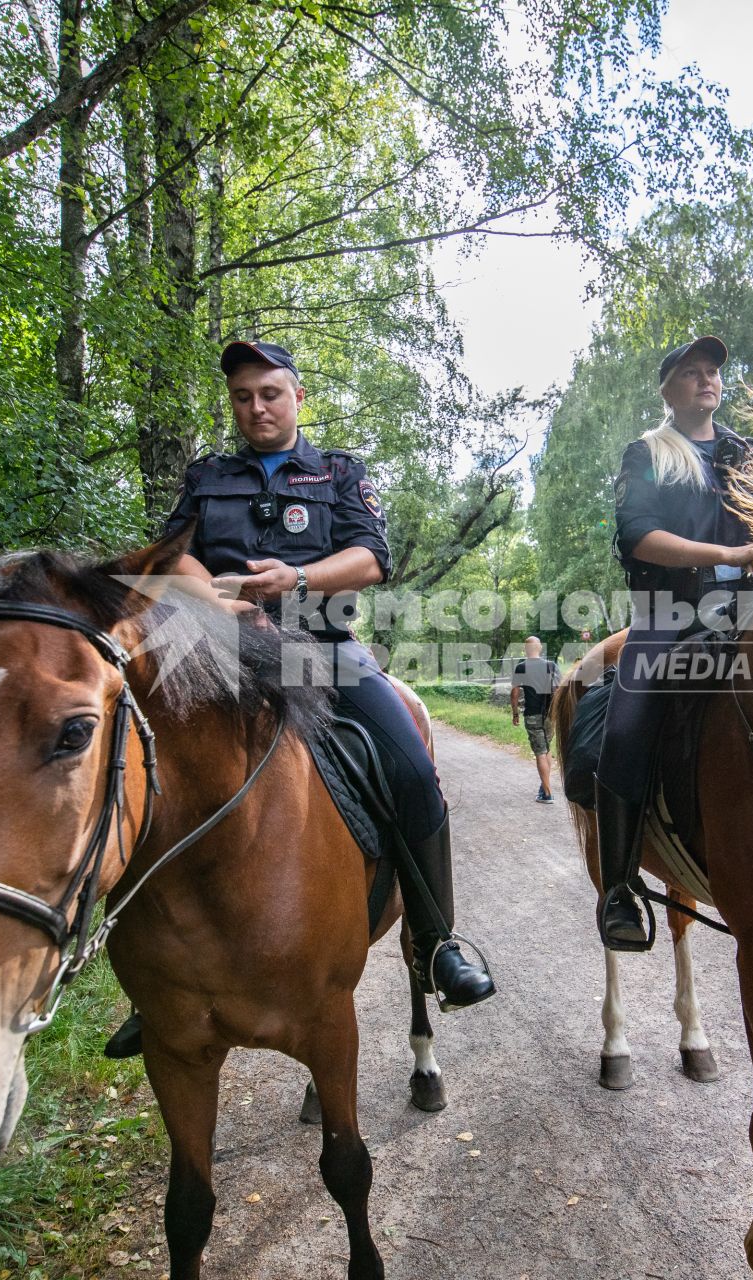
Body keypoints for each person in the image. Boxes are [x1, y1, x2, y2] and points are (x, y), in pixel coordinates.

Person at [105, 340, 494, 1058]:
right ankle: (151, 983)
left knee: (409, 761)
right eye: (244, 396)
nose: (257, 407)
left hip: (322, 649)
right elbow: (174, 553)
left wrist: (299, 580)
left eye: (271, 393)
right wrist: (218, 597)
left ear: (297, 397)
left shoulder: (341, 471)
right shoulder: (207, 475)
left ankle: (438, 940)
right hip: (216, 655)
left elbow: (372, 557)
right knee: (134, 763)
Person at [594, 336, 753, 951]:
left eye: (713, 372)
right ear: (668, 389)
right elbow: (638, 537)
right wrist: (730, 554)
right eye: (692, 373)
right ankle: (619, 888)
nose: (707, 380)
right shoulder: (646, 453)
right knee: (624, 729)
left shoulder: (747, 452)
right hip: (671, 611)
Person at [509, 636, 560, 803]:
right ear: (540, 648)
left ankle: (547, 793)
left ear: (526, 649)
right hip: (550, 715)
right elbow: (559, 690)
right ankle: (543, 785)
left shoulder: (521, 667)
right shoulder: (551, 666)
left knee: (540, 753)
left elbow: (515, 692)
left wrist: (515, 713)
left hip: (533, 716)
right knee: (547, 749)